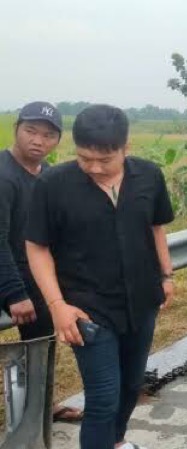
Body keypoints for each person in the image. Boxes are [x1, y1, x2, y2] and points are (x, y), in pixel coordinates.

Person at [25, 104, 175, 449]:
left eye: (105, 160)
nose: (94, 168)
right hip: (87, 309)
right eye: (84, 158)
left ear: (126, 148)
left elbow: (156, 228)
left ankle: (116, 442)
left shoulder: (149, 176)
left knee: (131, 385)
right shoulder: (53, 184)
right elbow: (37, 247)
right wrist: (57, 305)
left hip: (141, 300)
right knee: (104, 397)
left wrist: (166, 275)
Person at [0, 101, 84, 422]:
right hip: (10, 275)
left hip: (32, 273)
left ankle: (37, 409)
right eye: (31, 131)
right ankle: (28, 414)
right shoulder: (4, 176)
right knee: (38, 340)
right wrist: (14, 292)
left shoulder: (47, 176)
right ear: (16, 130)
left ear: (57, 140)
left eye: (48, 135)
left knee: (43, 341)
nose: (38, 140)